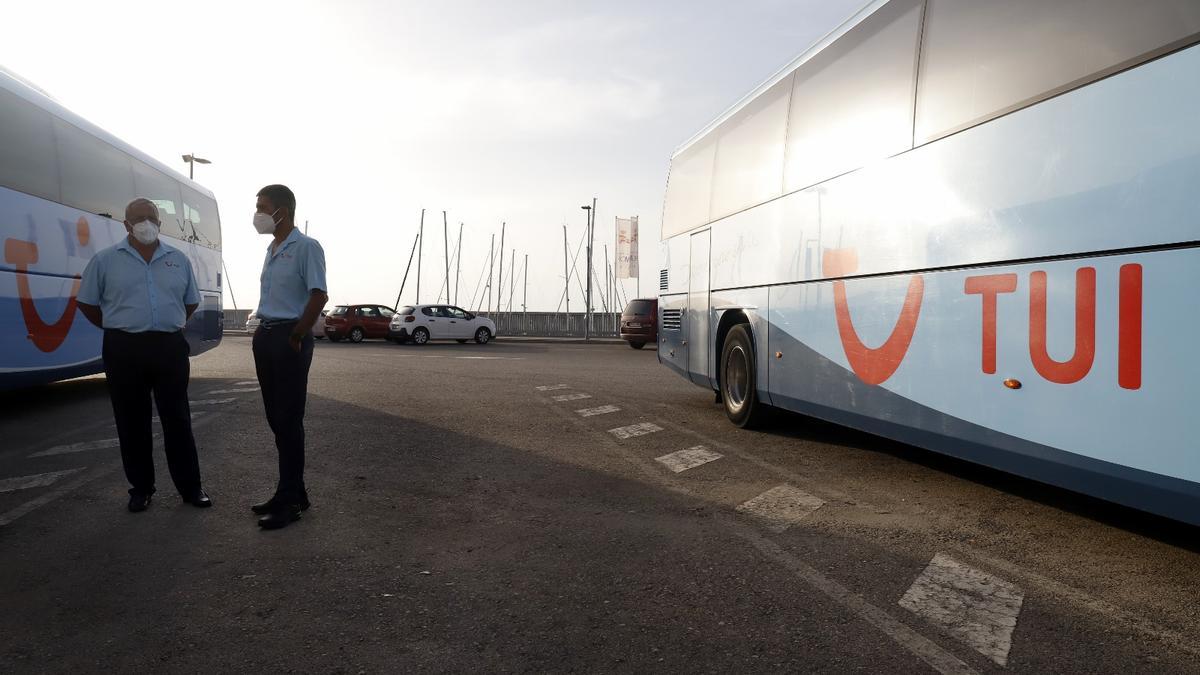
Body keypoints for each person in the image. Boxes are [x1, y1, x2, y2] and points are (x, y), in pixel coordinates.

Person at [77, 198, 212, 512]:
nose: (146, 222)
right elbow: (87, 303)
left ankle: (191, 488)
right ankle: (141, 489)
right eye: (138, 218)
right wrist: (118, 327)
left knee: (178, 419)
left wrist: (168, 323)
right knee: (131, 421)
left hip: (168, 347)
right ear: (126, 224)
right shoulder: (105, 261)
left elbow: (190, 302)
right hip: (124, 349)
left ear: (159, 223)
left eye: (151, 217)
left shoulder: (178, 260)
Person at [250, 184, 328, 529]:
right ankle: (293, 490)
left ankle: (290, 501)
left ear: (283, 210)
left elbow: (319, 295)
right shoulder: (272, 248)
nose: (257, 214)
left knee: (289, 420)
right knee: (275, 418)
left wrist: (297, 335)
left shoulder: (306, 247)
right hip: (266, 335)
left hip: (288, 337)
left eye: (263, 207)